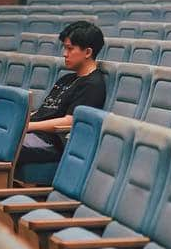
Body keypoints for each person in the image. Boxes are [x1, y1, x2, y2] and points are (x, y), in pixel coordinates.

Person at [16, 21, 107, 178]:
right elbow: (45, 111)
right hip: (35, 135)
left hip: (52, 143)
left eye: (70, 49)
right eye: (65, 48)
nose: (65, 53)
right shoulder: (66, 79)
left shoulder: (93, 85)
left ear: (87, 52)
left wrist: (28, 126)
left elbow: (70, 121)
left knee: (3, 141)